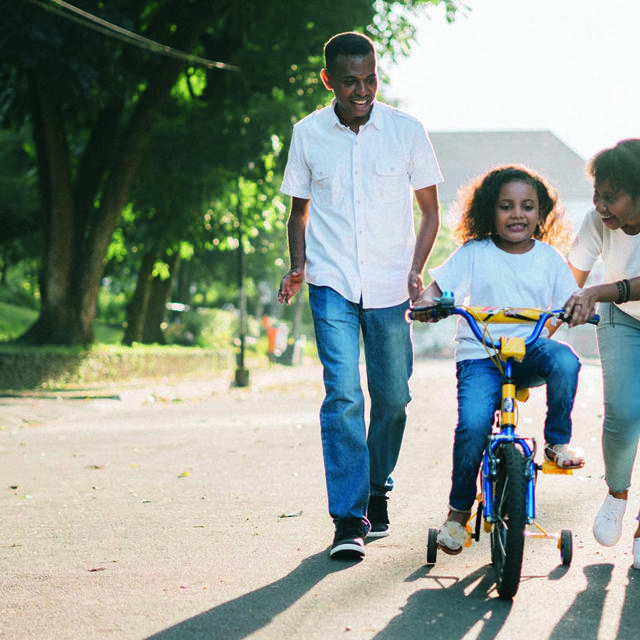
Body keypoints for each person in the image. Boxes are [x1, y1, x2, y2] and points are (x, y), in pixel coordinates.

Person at [277, 31, 443, 560]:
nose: (363, 90)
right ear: (328, 80)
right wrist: (298, 266)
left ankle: (377, 489)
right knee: (344, 395)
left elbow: (430, 211)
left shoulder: (406, 131)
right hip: (331, 284)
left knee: (393, 398)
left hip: (392, 286)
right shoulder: (307, 134)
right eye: (350, 82)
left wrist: (417, 269)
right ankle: (348, 518)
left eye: (370, 79)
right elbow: (298, 212)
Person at [413, 165, 583, 555]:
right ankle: (457, 514)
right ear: (490, 211)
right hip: (481, 355)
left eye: (527, 206)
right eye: (506, 206)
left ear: (541, 215)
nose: (517, 214)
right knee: (473, 425)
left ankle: (557, 442)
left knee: (566, 361)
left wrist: (576, 310)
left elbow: (570, 301)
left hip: (528, 351)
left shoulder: (550, 259)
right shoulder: (474, 253)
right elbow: (437, 290)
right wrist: (427, 304)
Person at [563, 139, 640, 569]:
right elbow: (568, 280)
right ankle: (617, 492)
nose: (600, 204)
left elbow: (593, 287)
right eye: (597, 193)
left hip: (612, 297)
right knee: (624, 415)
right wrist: (546, 324)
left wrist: (597, 290)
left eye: (611, 195)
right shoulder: (598, 221)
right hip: (622, 320)